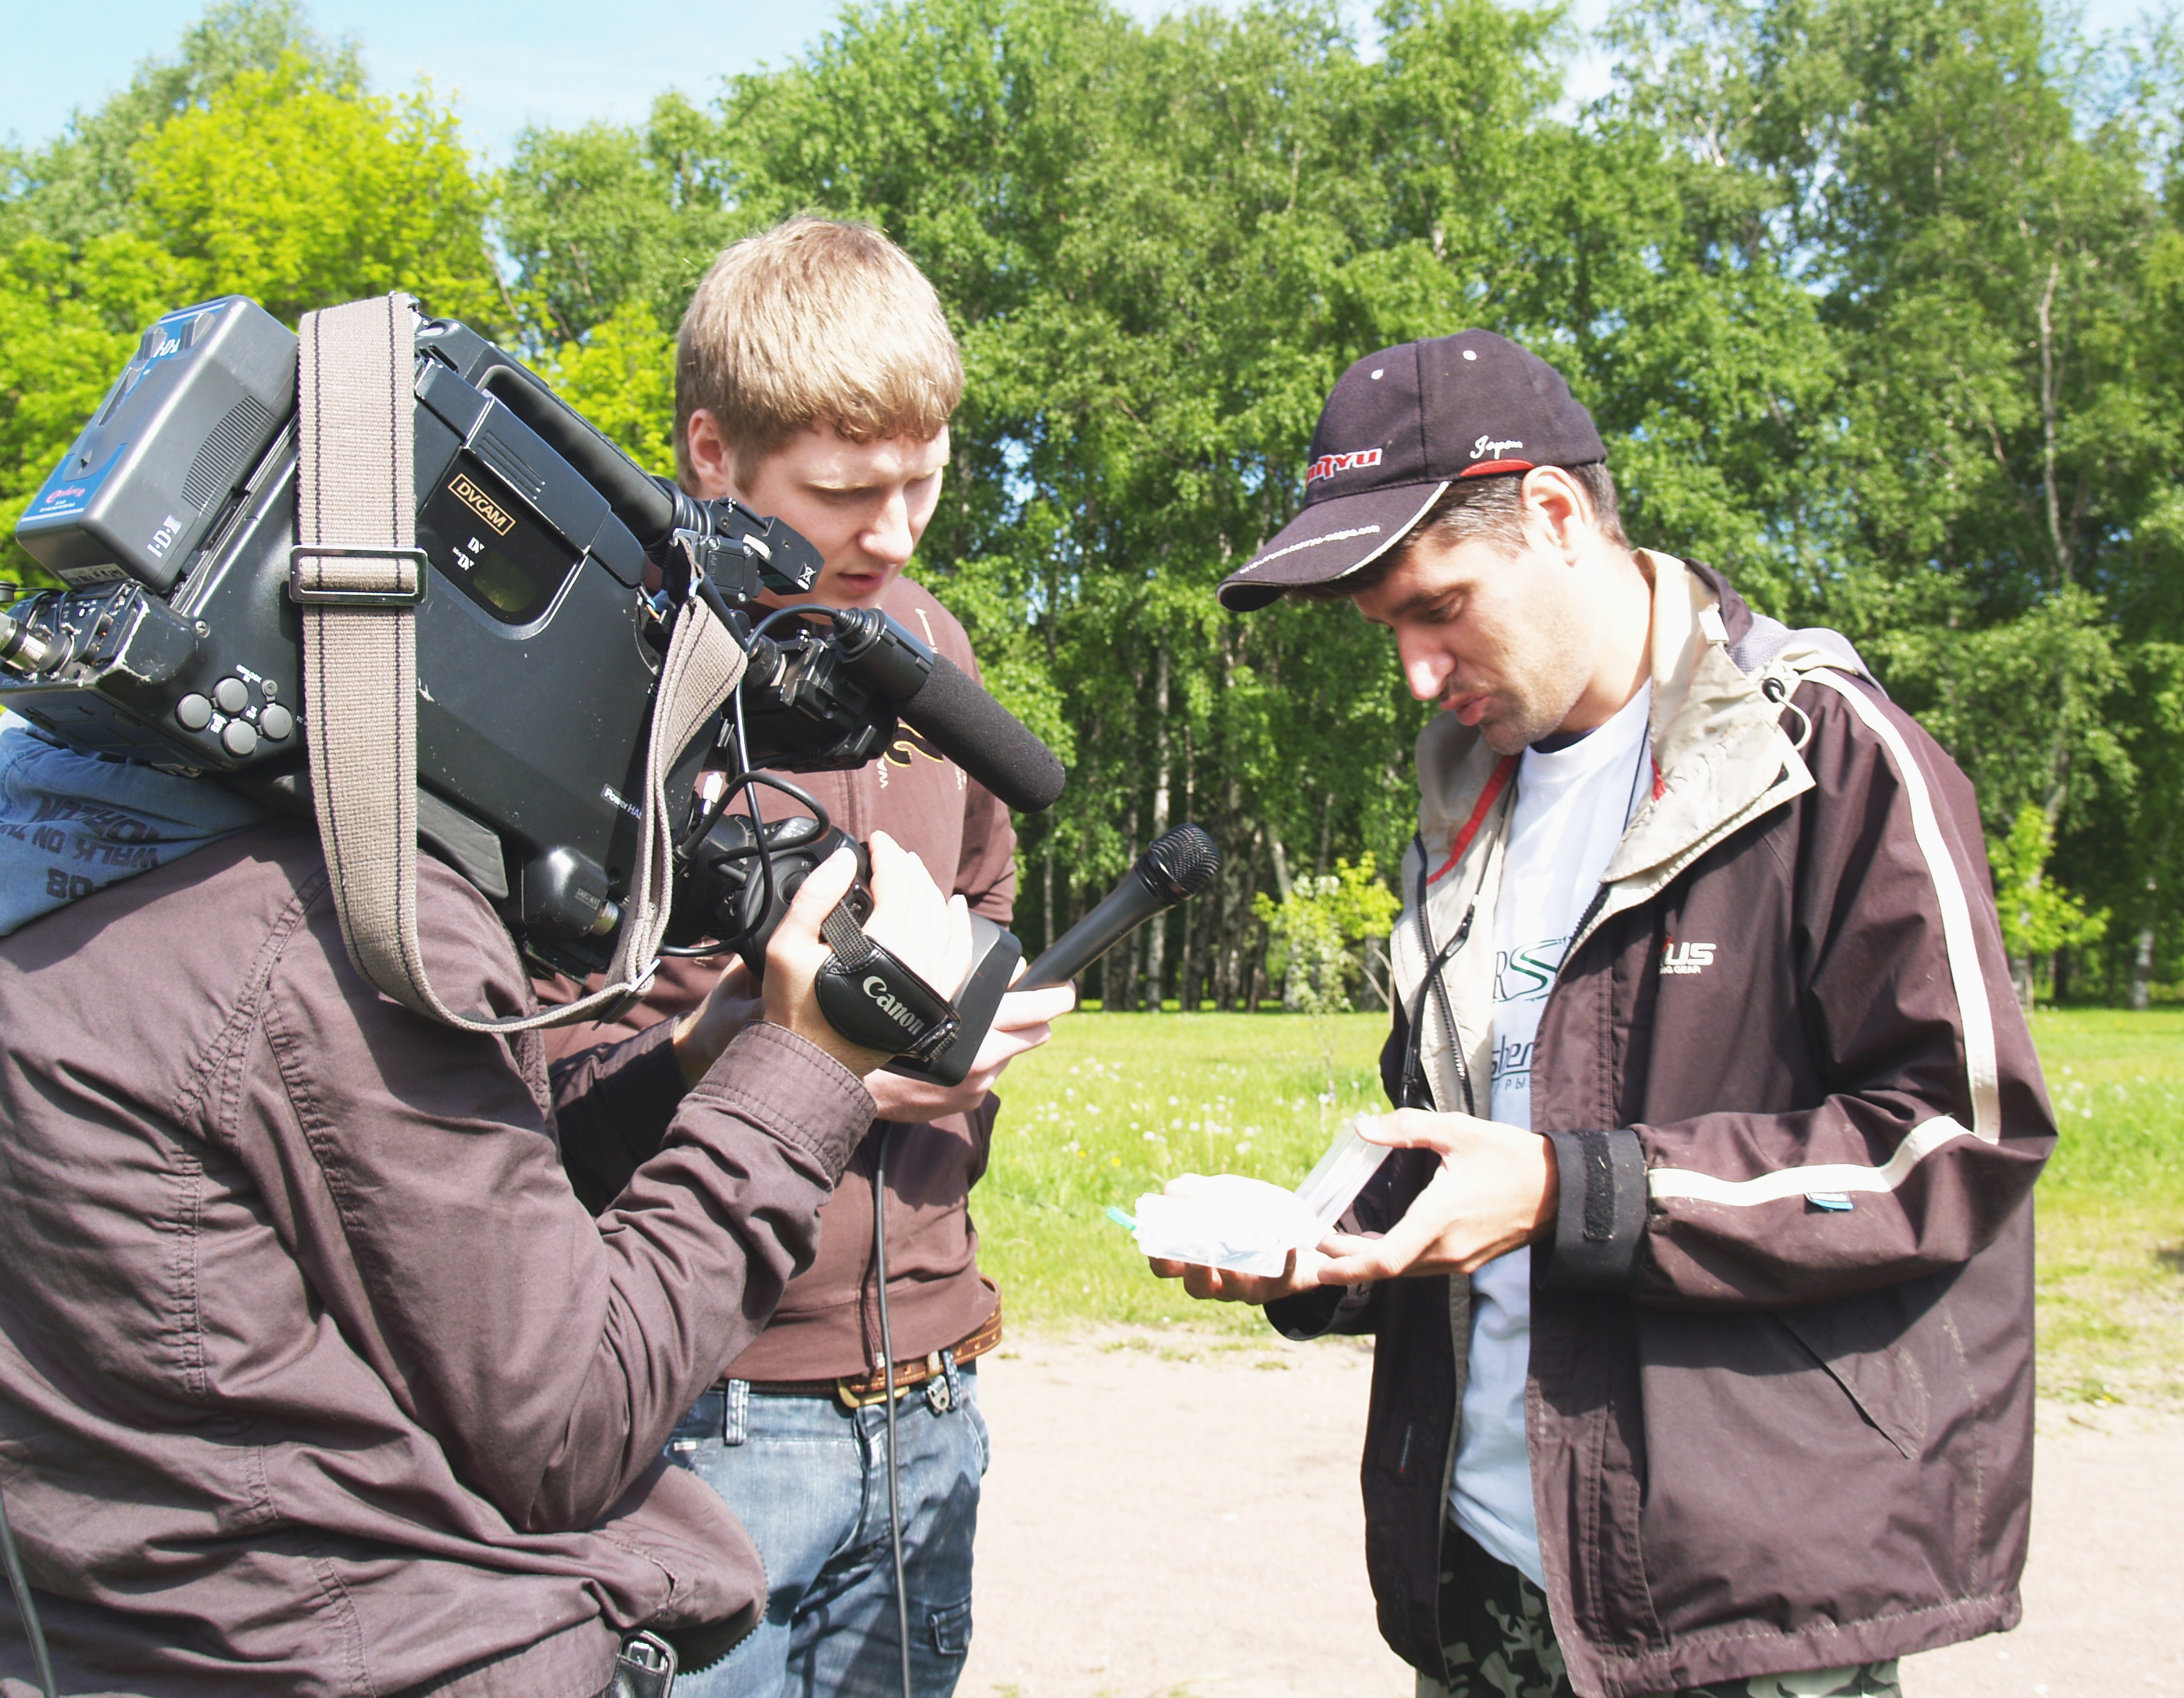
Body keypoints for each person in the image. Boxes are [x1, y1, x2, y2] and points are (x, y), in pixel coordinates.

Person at [1157, 329, 2057, 1698]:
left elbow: (1957, 1136)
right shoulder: (1465, 792)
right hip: (1486, 1576)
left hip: (1732, 1603)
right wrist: (1336, 1248)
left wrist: (1575, 1193)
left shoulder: (1818, 750)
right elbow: (1489, 1145)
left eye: (1437, 607)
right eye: (1385, 629)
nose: (1414, 669)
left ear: (1557, 517)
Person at [0, 696, 968, 1695]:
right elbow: (567, 1430)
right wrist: (811, 1066)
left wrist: (697, 1067)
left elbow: (430, 1218)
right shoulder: (351, 925)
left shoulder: (61, 821)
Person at [543, 216, 1074, 1697]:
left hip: (929, 1392)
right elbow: (505, 1119)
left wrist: (967, 1038)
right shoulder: (581, 678)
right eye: (847, 491)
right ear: (712, 455)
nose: (897, 532)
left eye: (927, 476)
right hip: (691, 1413)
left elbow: (982, 904)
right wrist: (773, 1057)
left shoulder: (930, 645)